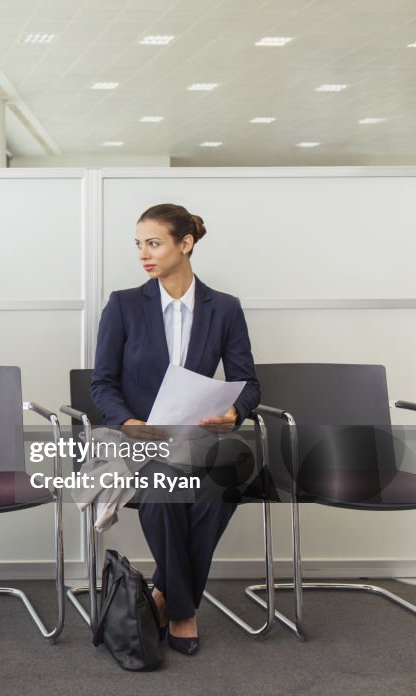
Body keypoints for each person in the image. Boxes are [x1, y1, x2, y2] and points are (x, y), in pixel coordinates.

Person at [90, 203, 260, 656]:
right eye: (139, 244)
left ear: (185, 245)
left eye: (154, 243)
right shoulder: (124, 305)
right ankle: (182, 611)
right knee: (166, 491)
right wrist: (128, 422)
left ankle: (165, 592)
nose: (143, 254)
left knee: (225, 482)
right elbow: (101, 382)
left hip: (197, 439)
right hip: (137, 440)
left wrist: (234, 413)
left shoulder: (223, 308)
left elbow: (249, 382)